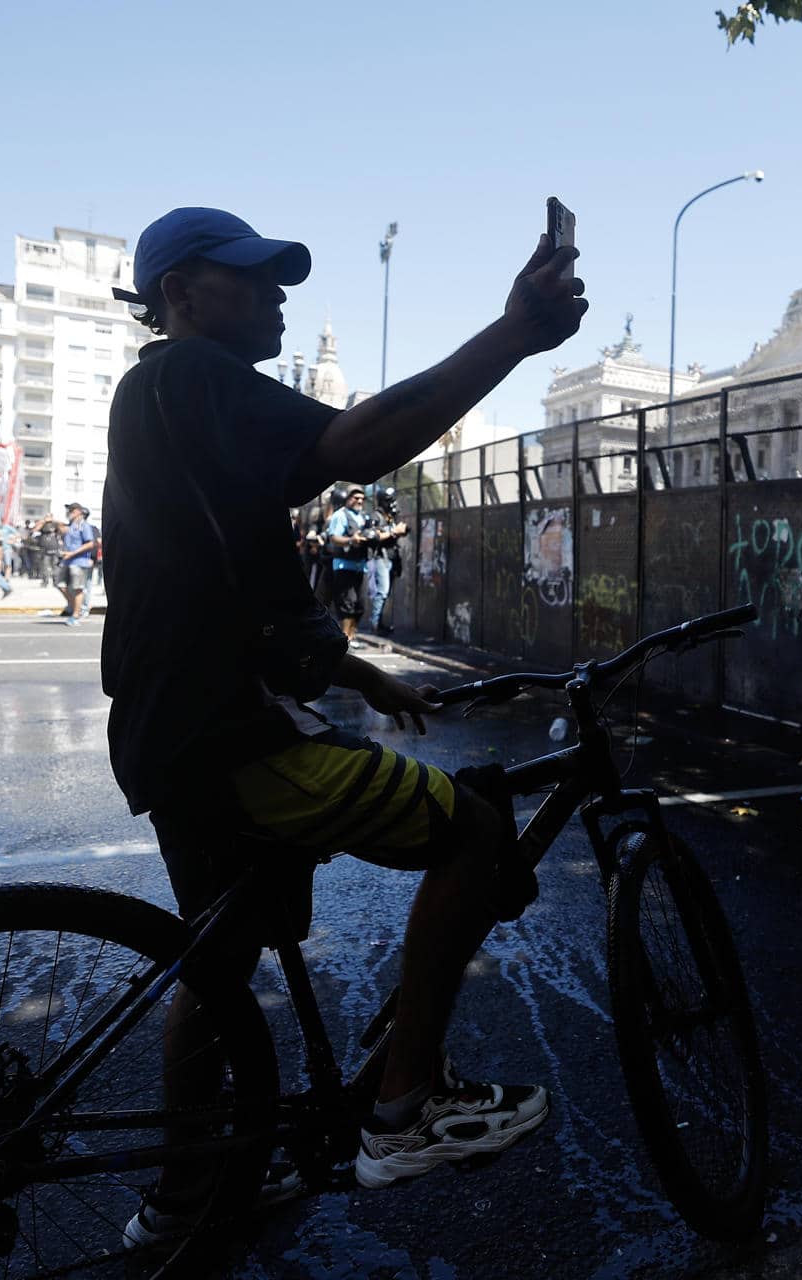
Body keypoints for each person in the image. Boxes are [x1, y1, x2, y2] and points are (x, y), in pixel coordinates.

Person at [101, 205, 584, 1247]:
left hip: (168, 734)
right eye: (253, 277)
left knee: (219, 965)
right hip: (230, 738)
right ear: (182, 294)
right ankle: (407, 1107)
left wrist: (351, 664)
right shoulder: (193, 374)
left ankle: (183, 1199)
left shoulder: (167, 403)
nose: (277, 295)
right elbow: (354, 447)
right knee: (475, 832)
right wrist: (514, 333)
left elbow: (223, 575)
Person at [323, 486, 372, 642]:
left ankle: (350, 635)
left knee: (360, 605)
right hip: (344, 565)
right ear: (348, 498)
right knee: (347, 605)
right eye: (355, 497)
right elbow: (334, 538)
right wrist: (352, 540)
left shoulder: (363, 517)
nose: (359, 501)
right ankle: (345, 639)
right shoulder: (340, 515)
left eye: (362, 498)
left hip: (361, 565)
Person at [361, 485, 407, 636]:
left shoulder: (391, 516)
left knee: (386, 593)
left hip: (392, 557)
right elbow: (372, 535)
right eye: (389, 500)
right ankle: (375, 624)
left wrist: (401, 530)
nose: (393, 503)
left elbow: (403, 530)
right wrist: (393, 531)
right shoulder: (376, 516)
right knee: (382, 591)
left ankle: (379, 622)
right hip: (380, 557)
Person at [58, 503, 97, 623]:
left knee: (77, 588)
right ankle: (74, 607)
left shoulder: (83, 526)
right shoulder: (71, 526)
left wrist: (73, 553)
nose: (69, 513)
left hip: (79, 561)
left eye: (71, 510)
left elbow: (90, 544)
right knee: (61, 585)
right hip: (67, 561)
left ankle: (76, 614)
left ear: (78, 512)